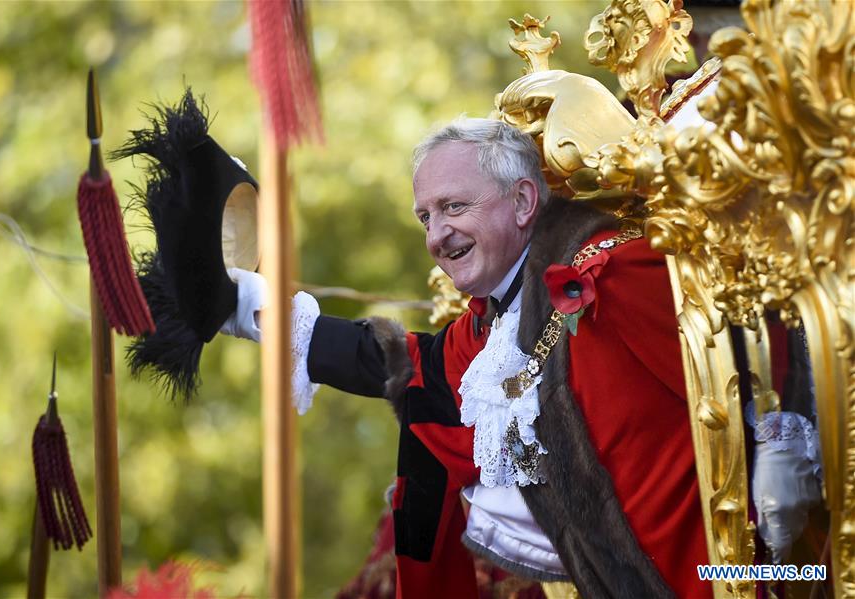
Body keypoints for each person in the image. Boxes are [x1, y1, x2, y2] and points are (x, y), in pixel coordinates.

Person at [220, 118, 814, 598]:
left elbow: (750, 339)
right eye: (425, 216)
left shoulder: (612, 270)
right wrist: (252, 310)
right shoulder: (486, 328)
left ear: (524, 200)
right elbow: (409, 371)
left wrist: (784, 434)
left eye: (454, 207)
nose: (435, 235)